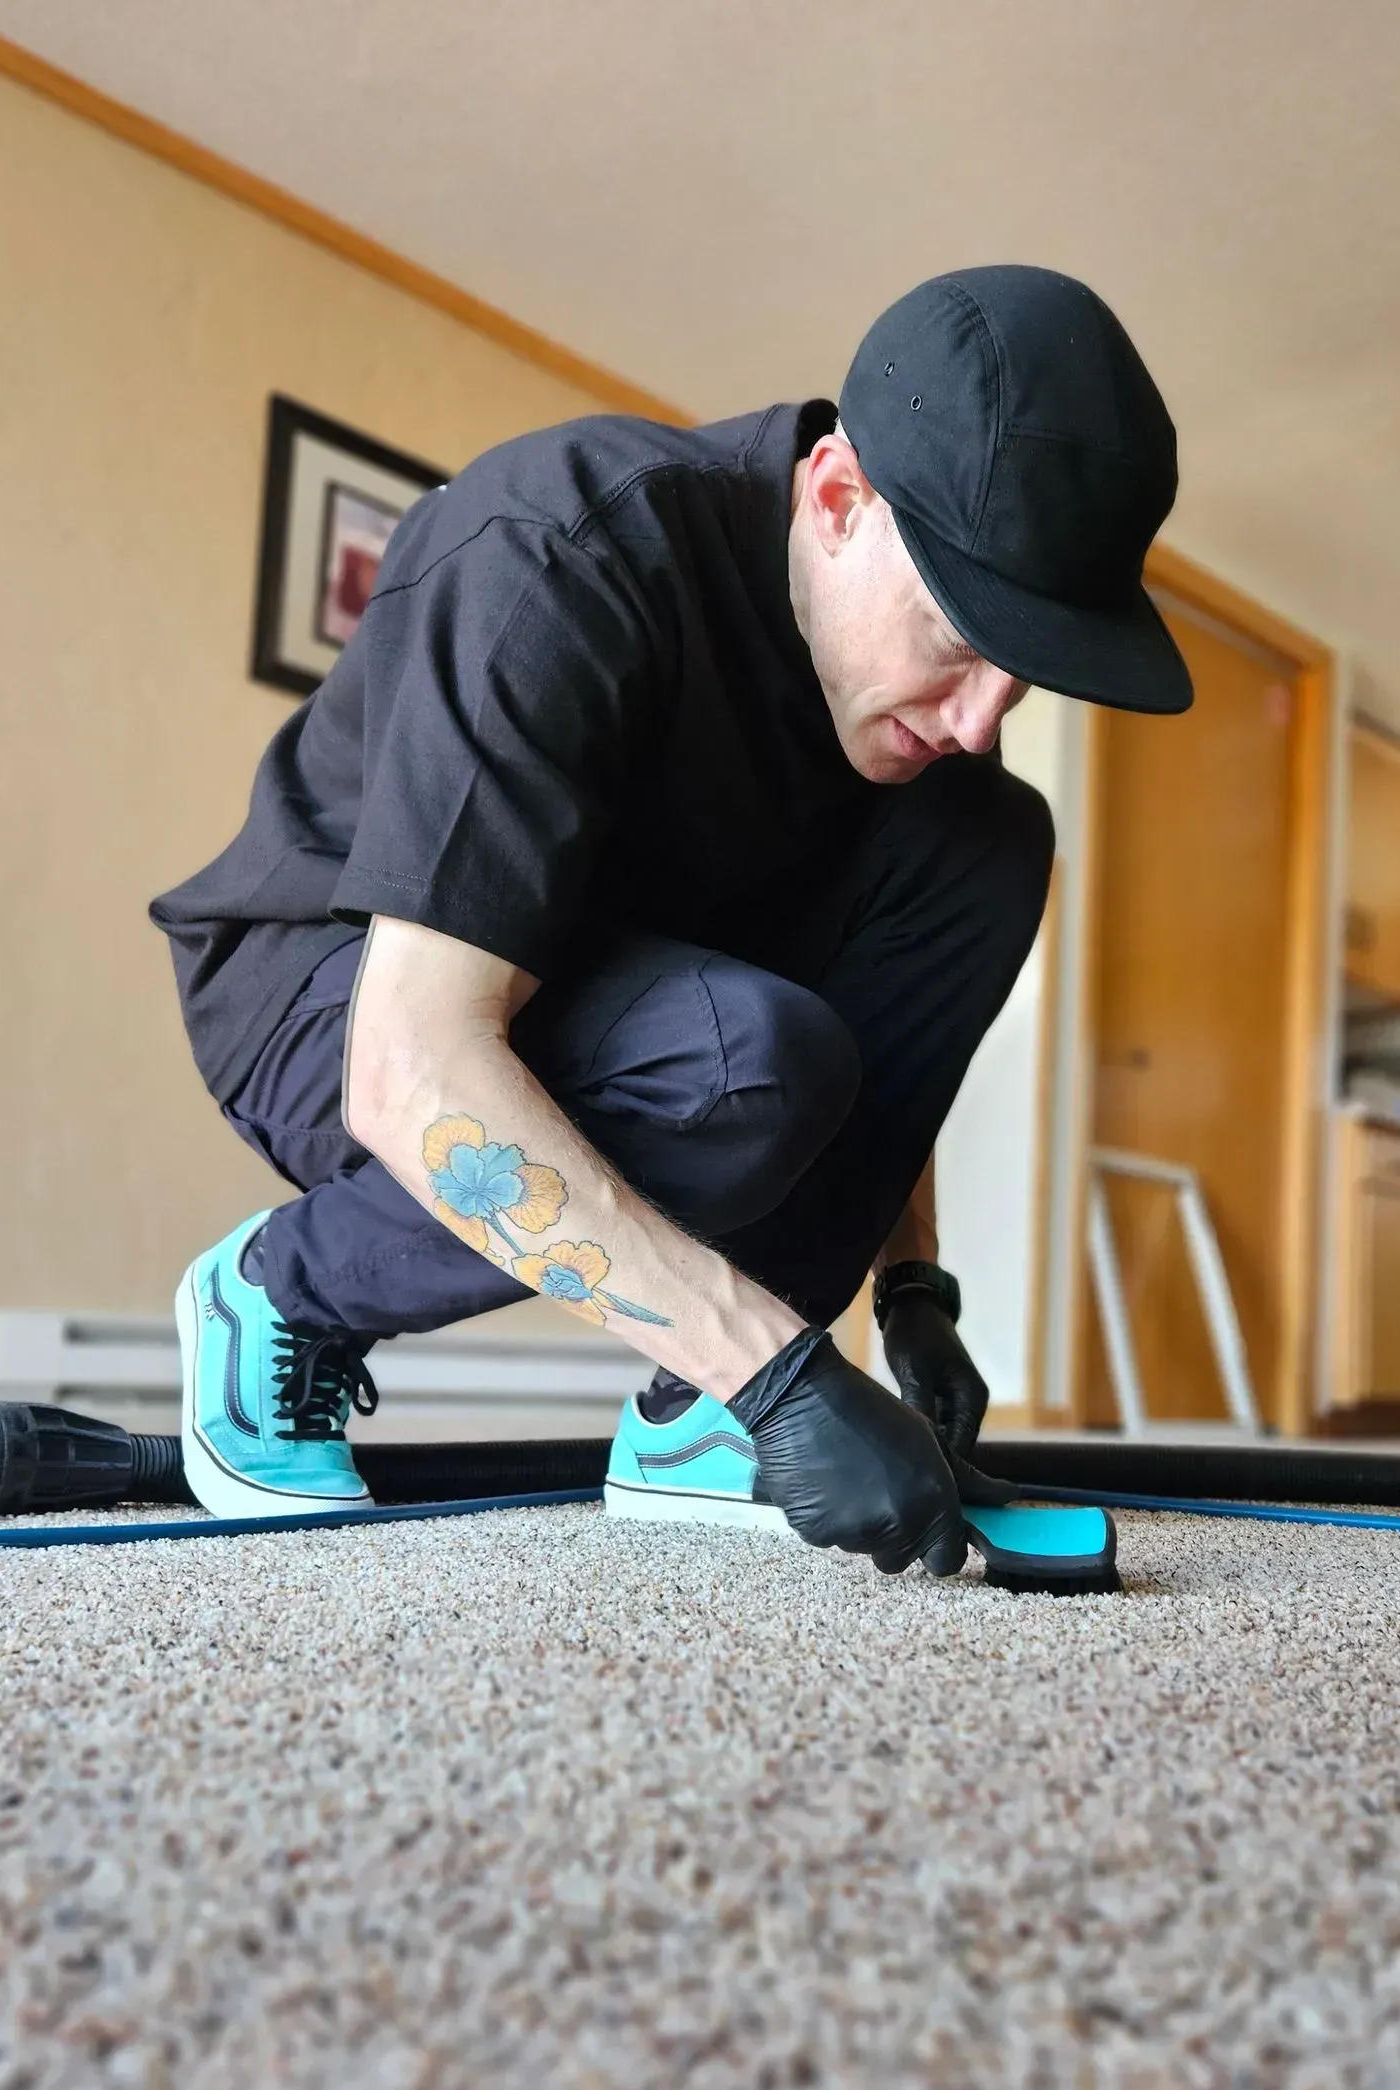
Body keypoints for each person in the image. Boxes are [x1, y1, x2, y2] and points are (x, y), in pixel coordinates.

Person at [150, 264, 1191, 1576]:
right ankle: (277, 1297)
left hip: (640, 1002)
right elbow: (415, 1064)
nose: (982, 713)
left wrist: (911, 1293)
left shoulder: (908, 745)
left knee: (991, 832)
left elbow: (876, 1053)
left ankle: (695, 1424)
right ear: (835, 500)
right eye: (955, 636)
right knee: (746, 1060)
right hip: (334, 996)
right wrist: (784, 1379)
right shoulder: (556, 551)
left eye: (1020, 672)